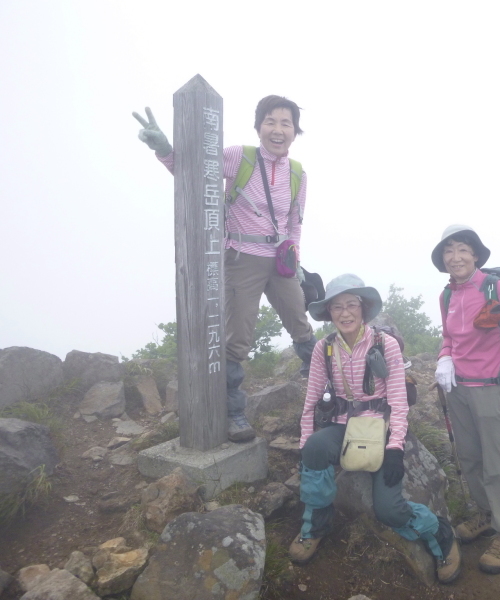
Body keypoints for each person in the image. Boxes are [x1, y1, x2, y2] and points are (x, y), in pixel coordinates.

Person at [132, 96, 317, 443]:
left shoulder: (297, 173)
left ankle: (327, 387)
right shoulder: (239, 156)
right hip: (240, 257)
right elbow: (192, 170)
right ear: (259, 125)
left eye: (286, 123)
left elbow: (295, 222)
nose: (278, 129)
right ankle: (233, 414)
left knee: (301, 323)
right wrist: (165, 149)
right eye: (270, 121)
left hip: (280, 260)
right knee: (237, 339)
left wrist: (295, 256)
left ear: (295, 131)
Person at [292, 273, 461, 584]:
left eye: (351, 305)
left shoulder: (386, 345)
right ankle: (315, 525)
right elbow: (312, 399)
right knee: (315, 448)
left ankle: (440, 532)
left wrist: (395, 448)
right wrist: (305, 443)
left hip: (381, 431)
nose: (344, 313)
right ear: (329, 313)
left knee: (389, 511)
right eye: (337, 307)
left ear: (363, 307)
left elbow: (397, 400)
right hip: (343, 428)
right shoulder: (324, 349)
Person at [431, 224, 500, 575]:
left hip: (494, 389)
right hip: (459, 391)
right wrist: (444, 356)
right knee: (470, 458)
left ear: (475, 255)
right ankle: (486, 514)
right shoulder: (446, 295)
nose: (455, 256)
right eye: (449, 250)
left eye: (462, 249)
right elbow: (449, 337)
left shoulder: (497, 288)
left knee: (497, 463)